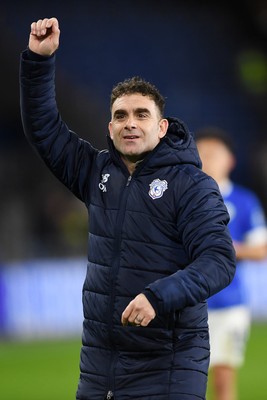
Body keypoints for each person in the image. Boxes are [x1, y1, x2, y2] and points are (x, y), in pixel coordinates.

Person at [19, 18, 236, 400]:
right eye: (121, 116)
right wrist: (39, 61)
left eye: (141, 115)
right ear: (110, 125)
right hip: (101, 366)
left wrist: (158, 296)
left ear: (162, 127)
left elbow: (218, 260)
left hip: (169, 364)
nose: (130, 124)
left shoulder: (192, 185)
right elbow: (44, 129)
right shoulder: (96, 171)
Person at [196, 127, 267, 400]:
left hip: (228, 304)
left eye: (213, 153)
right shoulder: (181, 197)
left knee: (223, 383)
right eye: (201, 153)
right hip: (186, 304)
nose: (207, 158)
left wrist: (229, 248)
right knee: (183, 383)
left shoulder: (244, 200)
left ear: (230, 160)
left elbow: (261, 250)